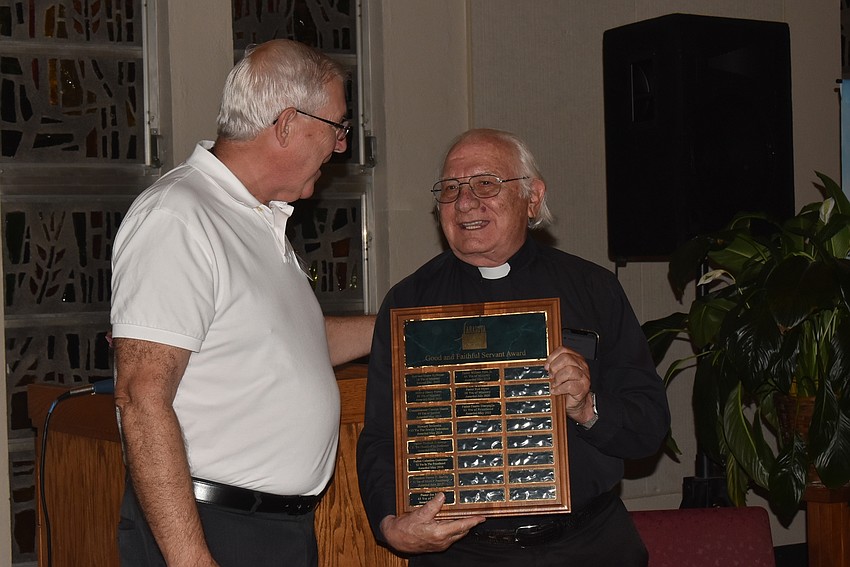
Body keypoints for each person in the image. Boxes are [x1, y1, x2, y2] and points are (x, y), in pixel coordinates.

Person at [110, 40, 375, 567]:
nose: (342, 146)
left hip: (273, 530)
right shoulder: (180, 217)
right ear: (286, 125)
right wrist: (192, 560)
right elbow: (141, 398)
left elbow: (296, 346)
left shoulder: (258, 218)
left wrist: (410, 322)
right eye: (337, 127)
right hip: (211, 529)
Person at [356, 128, 670, 566]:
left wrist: (588, 409)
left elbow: (649, 427)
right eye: (450, 189)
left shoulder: (593, 289)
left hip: (588, 546)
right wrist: (391, 524)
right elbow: (379, 439)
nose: (465, 202)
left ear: (532, 198)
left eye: (485, 184)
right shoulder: (409, 303)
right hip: (464, 554)